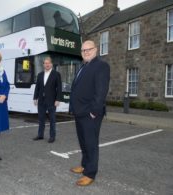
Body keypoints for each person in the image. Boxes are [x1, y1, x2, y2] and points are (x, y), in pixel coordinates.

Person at [69, 40, 110, 186]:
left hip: (90, 114)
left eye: (89, 49)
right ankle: (85, 165)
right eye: (83, 50)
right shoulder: (84, 66)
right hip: (80, 112)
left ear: (96, 50)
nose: (86, 52)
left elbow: (101, 91)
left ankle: (90, 173)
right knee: (83, 141)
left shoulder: (101, 66)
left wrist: (94, 111)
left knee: (91, 143)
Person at [33, 57, 62, 143]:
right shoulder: (40, 74)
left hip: (52, 100)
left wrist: (58, 99)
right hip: (41, 100)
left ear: (51, 64)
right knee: (41, 119)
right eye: (45, 63)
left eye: (48, 63)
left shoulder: (56, 74)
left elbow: (59, 88)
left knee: (52, 119)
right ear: (43, 65)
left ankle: (52, 136)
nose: (47, 64)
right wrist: (35, 97)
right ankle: (40, 135)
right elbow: (37, 87)